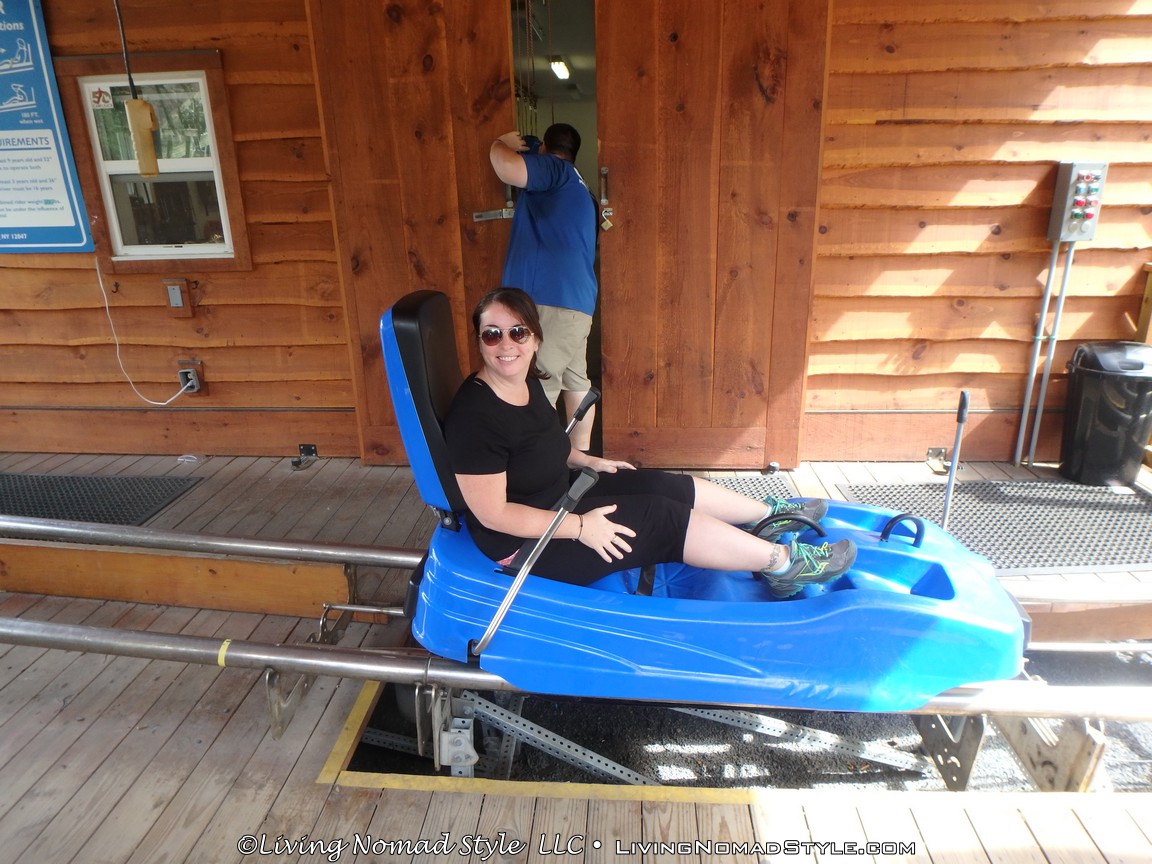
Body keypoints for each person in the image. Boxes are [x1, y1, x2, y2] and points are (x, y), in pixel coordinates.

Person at [442, 288, 856, 599]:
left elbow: (541, 444)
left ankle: (769, 516)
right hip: (527, 545)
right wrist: (581, 528)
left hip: (557, 499)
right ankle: (785, 566)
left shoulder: (526, 380)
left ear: (535, 339)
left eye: (518, 332)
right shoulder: (475, 417)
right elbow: (493, 515)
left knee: (658, 484)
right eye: (492, 335)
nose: (506, 344)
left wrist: (586, 460)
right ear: (479, 341)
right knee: (659, 518)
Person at [489, 124, 599, 451]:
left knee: (539, 386)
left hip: (550, 301)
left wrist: (499, 142)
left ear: (545, 150)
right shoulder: (580, 187)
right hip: (577, 305)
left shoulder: (555, 169)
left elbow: (507, 168)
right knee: (576, 381)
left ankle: (536, 466)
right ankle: (580, 459)